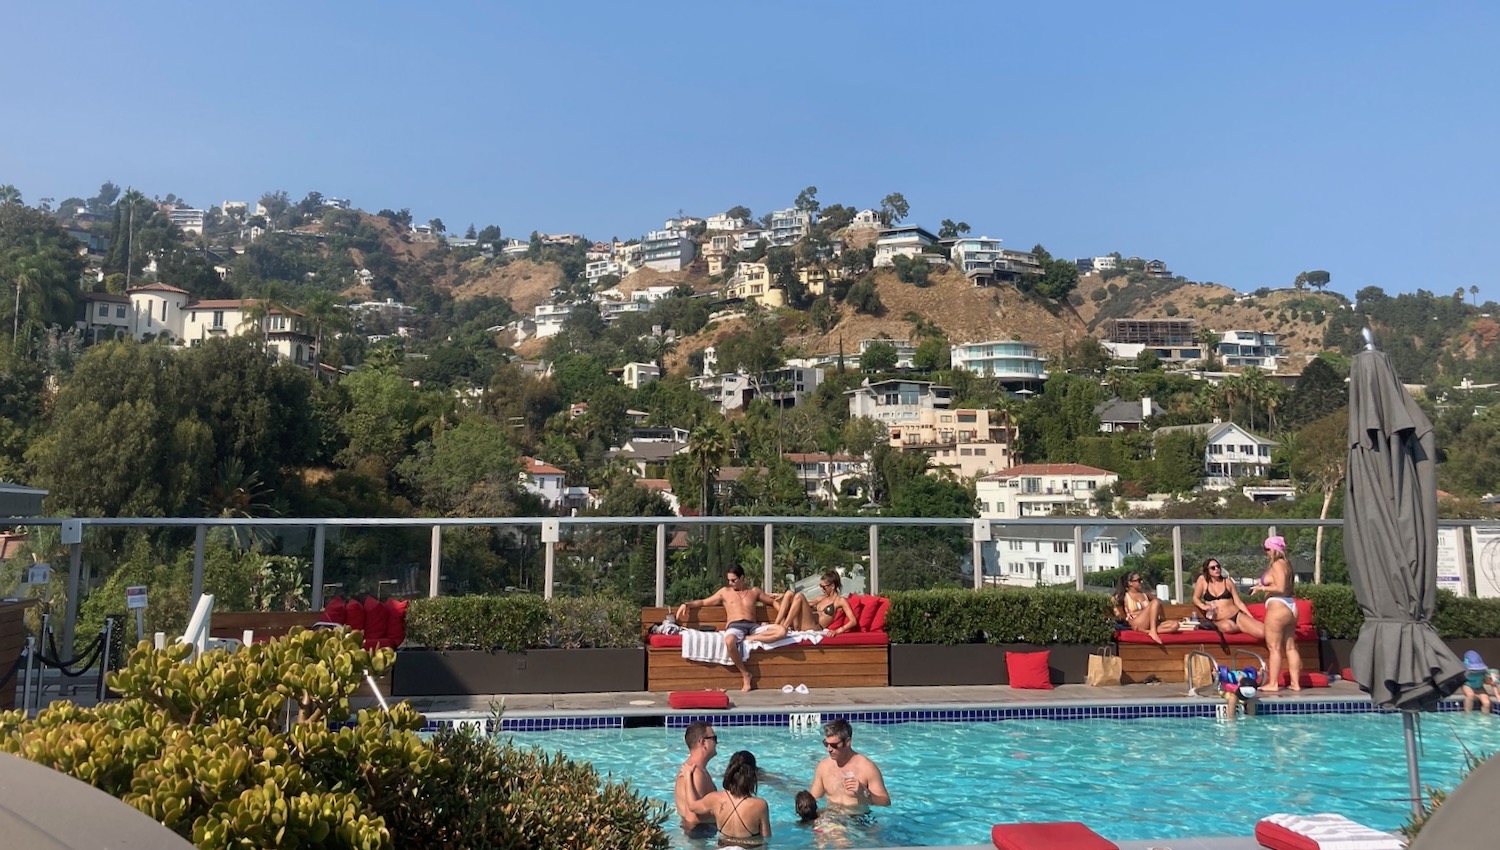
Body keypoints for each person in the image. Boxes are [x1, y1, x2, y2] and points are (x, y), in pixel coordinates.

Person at [677, 565, 786, 691]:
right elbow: (703, 602)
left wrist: (782, 619)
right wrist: (686, 604)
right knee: (729, 641)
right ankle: (745, 674)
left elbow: (772, 602)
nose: (730, 583)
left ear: (742, 578)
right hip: (736, 626)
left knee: (781, 631)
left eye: (733, 580)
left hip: (753, 627)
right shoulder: (725, 592)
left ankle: (748, 638)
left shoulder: (754, 591)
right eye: (728, 580)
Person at [1251, 535, 1301, 694]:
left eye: (1267, 549)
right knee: (1290, 647)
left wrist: (1261, 588)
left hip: (1278, 608)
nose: (1266, 552)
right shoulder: (1287, 565)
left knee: (1274, 648)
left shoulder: (1278, 565)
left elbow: (1279, 587)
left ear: (1274, 549)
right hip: (1290, 607)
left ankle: (1273, 683)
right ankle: (1295, 684)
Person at [689, 750, 771, 847]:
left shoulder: (715, 798)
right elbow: (766, 838)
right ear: (752, 774)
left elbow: (692, 806)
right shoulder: (760, 805)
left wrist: (688, 778)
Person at [810, 718, 891, 809]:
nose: (829, 749)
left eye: (834, 745)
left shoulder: (867, 768)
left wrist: (864, 792)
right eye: (826, 744)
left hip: (857, 818)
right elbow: (814, 799)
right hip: (830, 817)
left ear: (847, 742)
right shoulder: (823, 767)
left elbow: (885, 802)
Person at [1191, 558, 1264, 638]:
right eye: (1213, 568)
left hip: (1236, 615)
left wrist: (1250, 617)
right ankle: (1212, 625)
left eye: (1218, 566)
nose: (1217, 569)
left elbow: (1238, 602)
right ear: (1207, 570)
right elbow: (1195, 598)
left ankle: (1242, 627)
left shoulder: (1228, 582)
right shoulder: (1202, 581)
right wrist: (1203, 606)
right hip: (1219, 620)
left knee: (1262, 632)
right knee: (1228, 627)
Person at [772, 570, 859, 636]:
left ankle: (784, 627)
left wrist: (837, 631)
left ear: (832, 586)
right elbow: (806, 602)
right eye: (820, 586)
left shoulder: (840, 600)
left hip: (815, 627)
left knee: (799, 596)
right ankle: (776, 624)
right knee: (789, 593)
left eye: (823, 587)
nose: (821, 589)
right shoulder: (822, 598)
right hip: (805, 623)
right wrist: (783, 596)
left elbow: (853, 621)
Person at [1112, 572, 1180, 645]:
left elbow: (1159, 602)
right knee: (1155, 602)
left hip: (1149, 623)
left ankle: (1146, 631)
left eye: (1141, 580)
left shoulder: (1145, 594)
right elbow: (1110, 600)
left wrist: (1145, 612)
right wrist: (1115, 610)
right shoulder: (1125, 596)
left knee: (1175, 625)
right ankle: (1153, 632)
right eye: (1138, 580)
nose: (1141, 582)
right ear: (1130, 583)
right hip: (1135, 622)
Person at [674, 722, 718, 832]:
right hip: (699, 839)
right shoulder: (695, 774)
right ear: (703, 742)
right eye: (714, 738)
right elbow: (692, 819)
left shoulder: (696, 770)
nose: (717, 743)